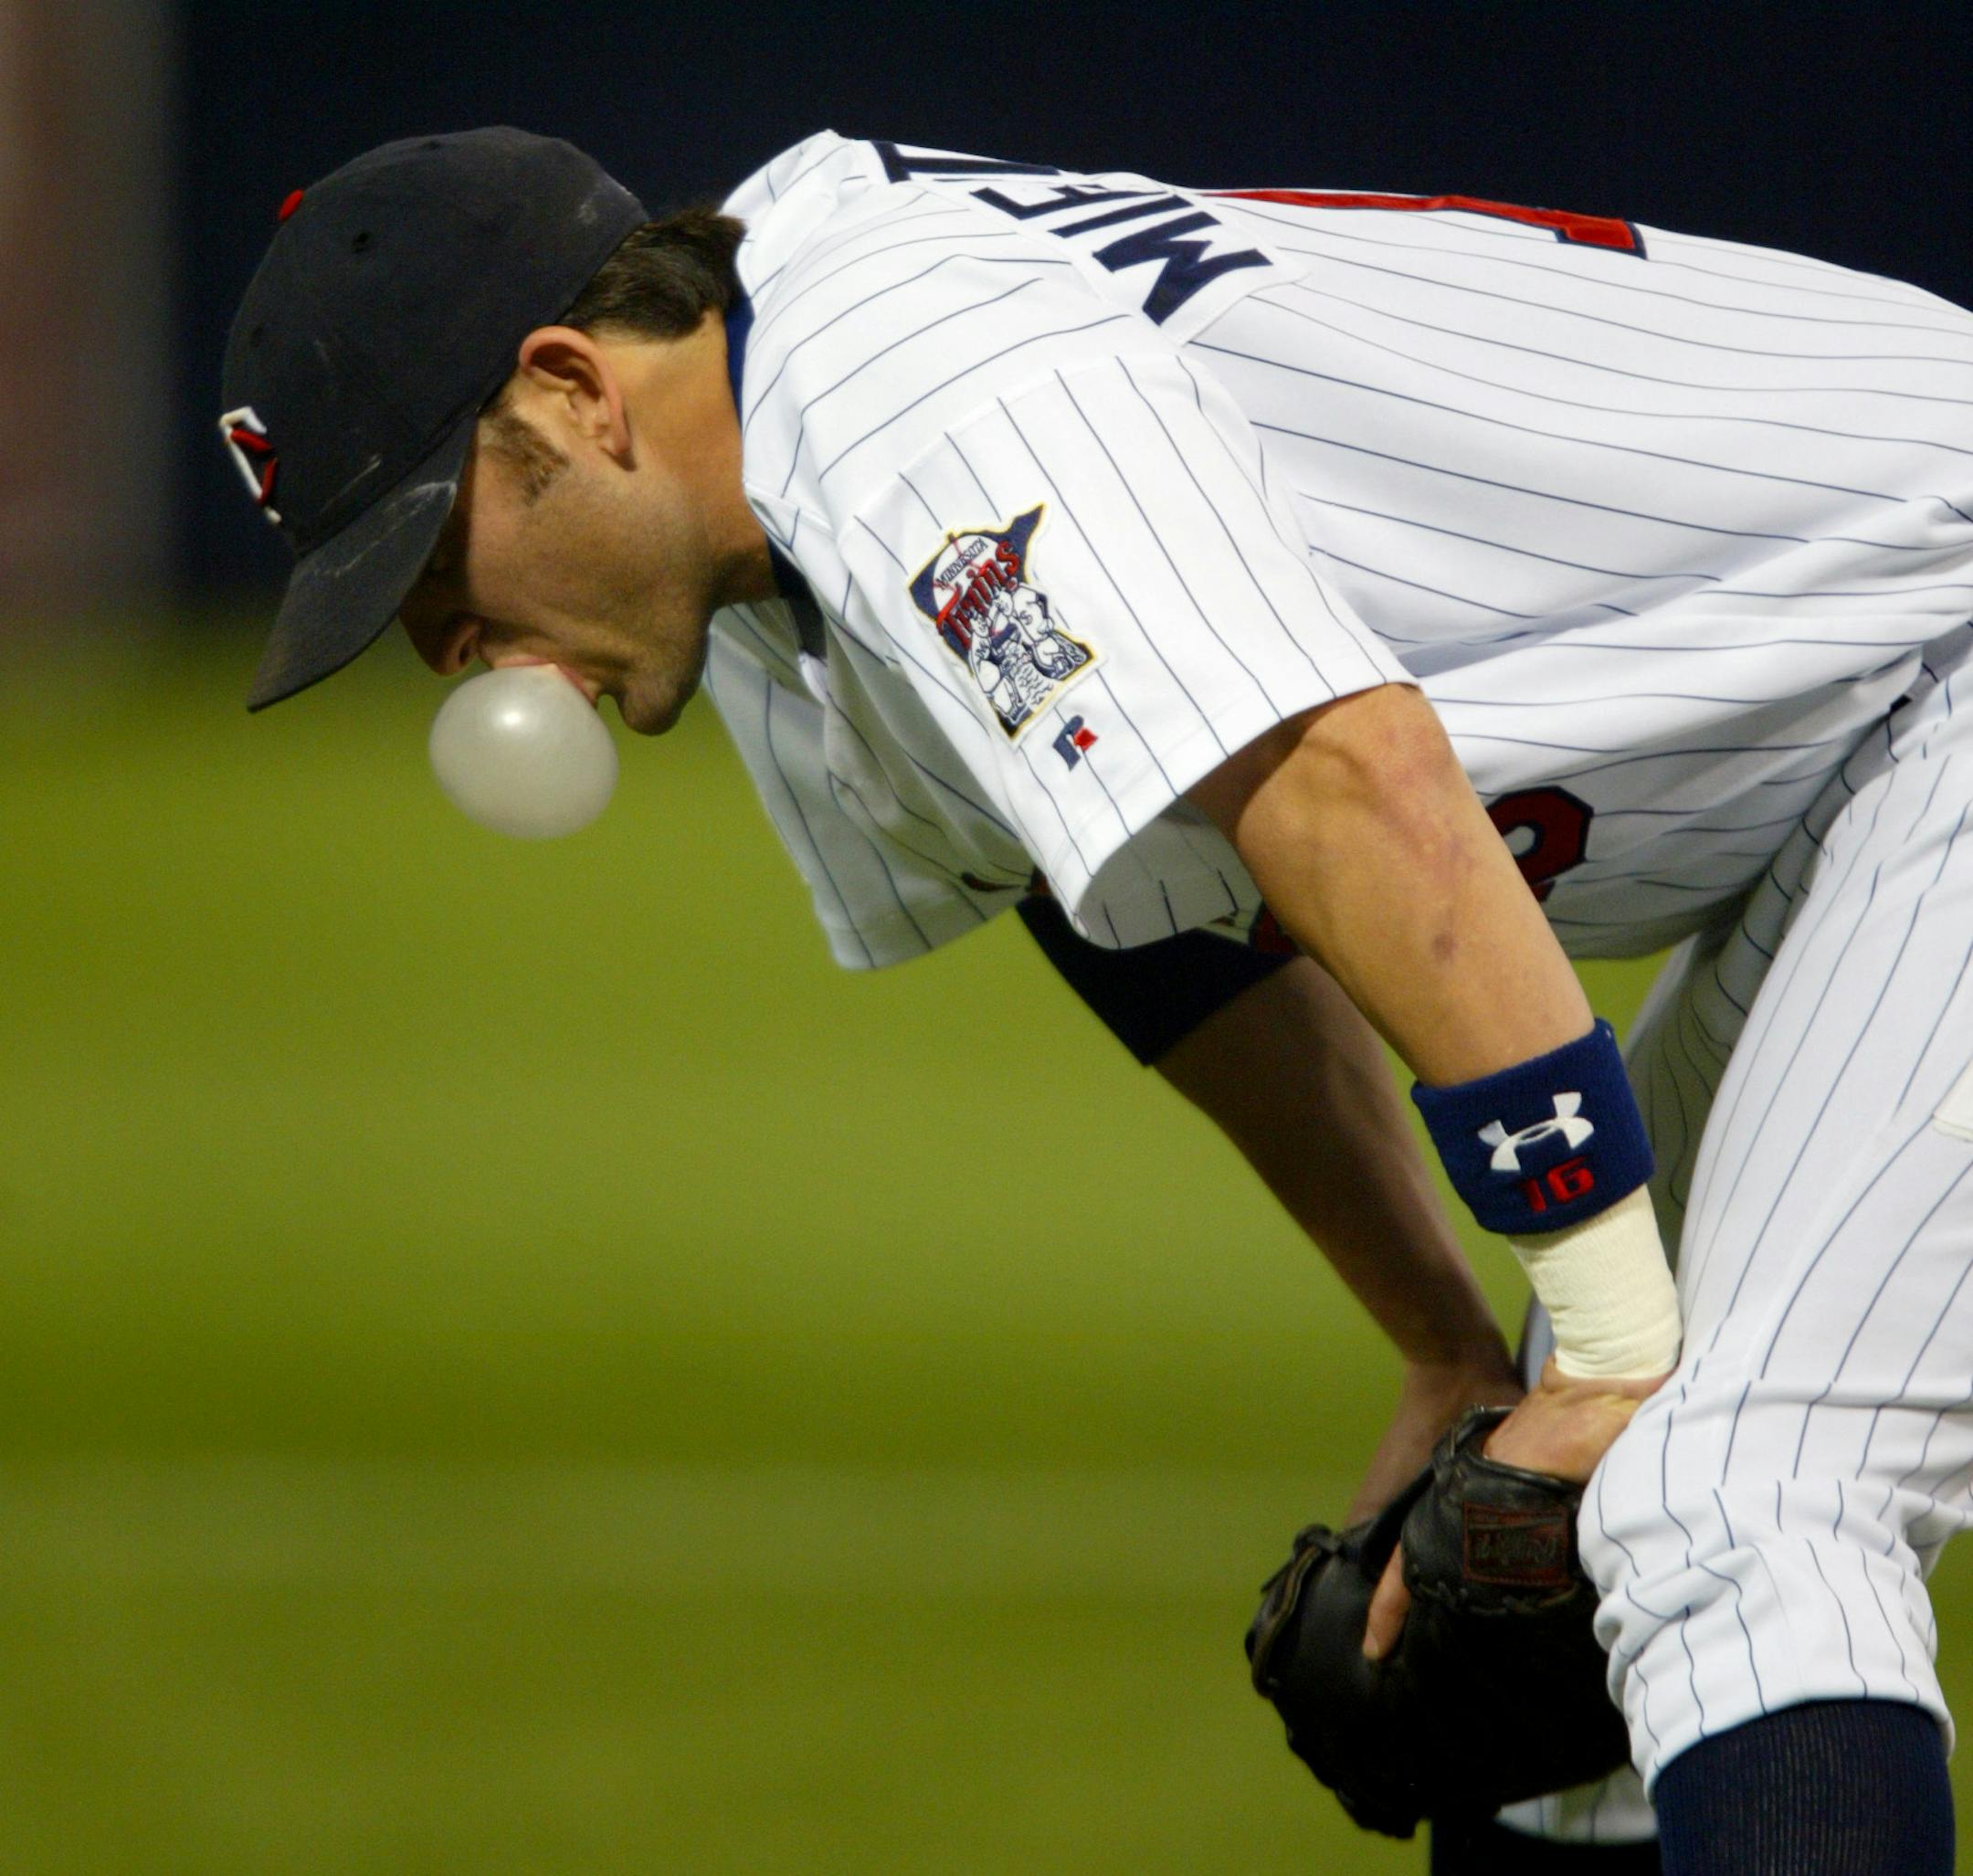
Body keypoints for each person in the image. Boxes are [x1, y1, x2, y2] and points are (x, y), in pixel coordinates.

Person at [218, 128, 1973, 1873]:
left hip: (1941, 647)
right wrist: (1453, 1346)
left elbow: (1355, 785)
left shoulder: (900, 382)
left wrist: (1607, 1336)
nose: (448, 651)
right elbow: (1140, 906)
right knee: (1584, 1577)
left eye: (437, 565)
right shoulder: (753, 552)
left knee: (1736, 1496)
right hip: (1855, 759)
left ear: (575, 390)